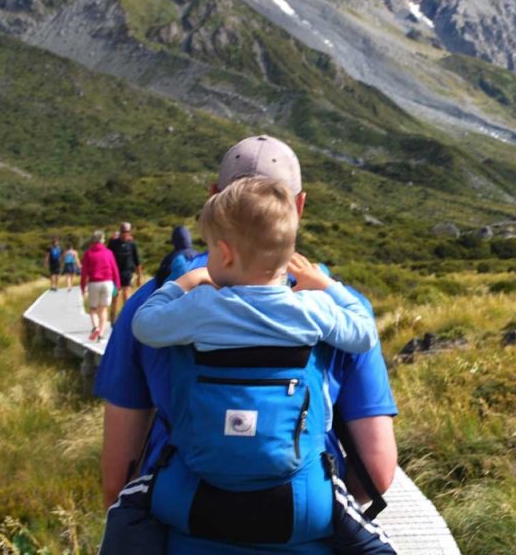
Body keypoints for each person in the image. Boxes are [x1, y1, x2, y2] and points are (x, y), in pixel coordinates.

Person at [95, 135, 399, 554]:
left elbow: (117, 479)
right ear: (298, 207)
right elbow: (379, 472)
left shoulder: (173, 304)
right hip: (302, 523)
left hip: (185, 524)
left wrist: (178, 283)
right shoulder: (324, 308)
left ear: (214, 200)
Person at [81, 230, 121, 342]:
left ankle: (95, 327)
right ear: (102, 240)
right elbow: (115, 270)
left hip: (94, 283)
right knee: (103, 309)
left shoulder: (88, 253)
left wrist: (82, 287)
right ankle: (101, 334)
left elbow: (84, 272)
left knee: (93, 308)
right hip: (107, 283)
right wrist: (117, 285)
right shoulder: (109, 252)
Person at [108, 222, 143, 322]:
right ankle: (112, 319)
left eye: (127, 231)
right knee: (115, 296)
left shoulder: (132, 244)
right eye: (123, 231)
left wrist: (139, 276)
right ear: (120, 231)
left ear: (129, 232)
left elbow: (137, 260)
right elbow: (108, 256)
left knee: (126, 295)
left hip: (127, 273)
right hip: (115, 274)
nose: (125, 233)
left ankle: (126, 319)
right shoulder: (113, 243)